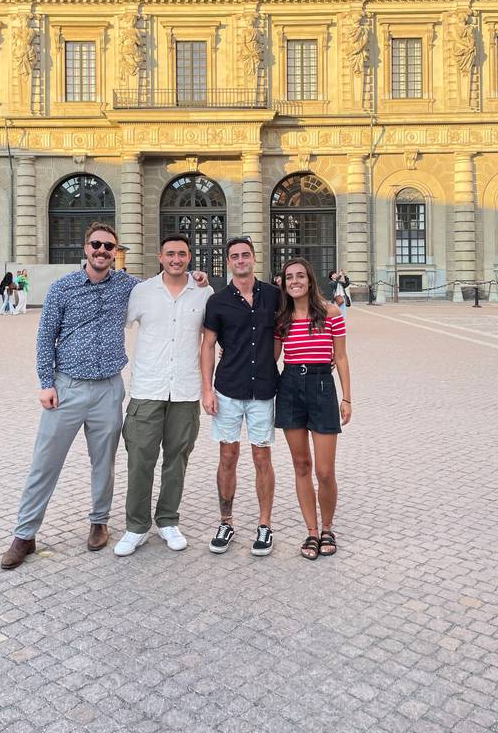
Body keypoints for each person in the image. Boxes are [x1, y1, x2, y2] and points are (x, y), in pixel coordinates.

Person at [0, 223, 208, 570]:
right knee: (44, 463)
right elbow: (45, 336)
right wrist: (46, 382)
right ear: (86, 247)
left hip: (109, 389)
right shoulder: (62, 288)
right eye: (96, 245)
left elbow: (168, 289)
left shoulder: (130, 287)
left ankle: (99, 522)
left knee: (105, 463)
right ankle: (25, 533)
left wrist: (198, 278)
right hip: (67, 387)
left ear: (116, 252)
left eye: (109, 247)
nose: (102, 251)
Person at [114, 234, 214, 557]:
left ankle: (168, 519)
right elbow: (118, 323)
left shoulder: (204, 292)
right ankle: (136, 526)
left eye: (182, 254)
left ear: (189, 257)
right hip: (148, 388)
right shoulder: (141, 292)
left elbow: (211, 340)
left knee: (177, 459)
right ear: (160, 257)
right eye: (170, 254)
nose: (176, 259)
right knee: (140, 458)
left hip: (185, 389)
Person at [200, 237, 281, 557]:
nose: (241, 260)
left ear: (254, 258)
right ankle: (226, 521)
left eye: (245, 255)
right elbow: (207, 345)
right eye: (234, 256)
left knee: (263, 458)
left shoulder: (274, 296)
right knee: (228, 457)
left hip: (263, 389)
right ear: (229, 262)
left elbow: (286, 332)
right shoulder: (218, 301)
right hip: (228, 389)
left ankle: (264, 524)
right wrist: (207, 389)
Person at [274, 258, 352, 560]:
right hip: (290, 386)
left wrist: (347, 398)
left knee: (325, 471)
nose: (294, 281)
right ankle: (310, 531)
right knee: (302, 466)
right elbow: (273, 357)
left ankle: (327, 527)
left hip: (322, 387)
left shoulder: (331, 314)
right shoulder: (282, 319)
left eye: (300, 276)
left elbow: (342, 358)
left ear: (310, 280)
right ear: (283, 282)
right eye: (289, 277)